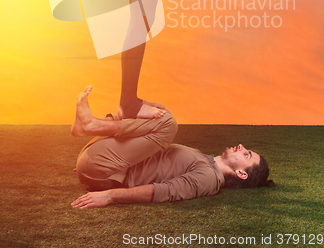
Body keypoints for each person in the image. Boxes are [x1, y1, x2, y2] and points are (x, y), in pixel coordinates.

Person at [71, 87, 274, 209]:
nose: (241, 146)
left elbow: (162, 191)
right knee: (157, 112)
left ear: (241, 174)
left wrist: (110, 196)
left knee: (167, 123)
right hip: (101, 160)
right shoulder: (205, 160)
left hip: (105, 170)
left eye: (246, 154)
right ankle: (97, 124)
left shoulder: (208, 178)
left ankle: (91, 125)